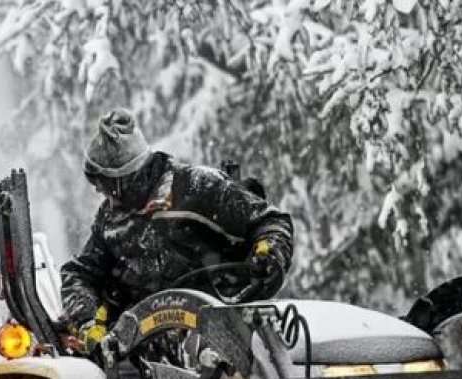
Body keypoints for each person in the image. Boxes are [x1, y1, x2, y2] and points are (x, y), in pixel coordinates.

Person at [61, 108, 294, 352]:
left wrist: (269, 251)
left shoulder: (197, 187)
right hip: (147, 350)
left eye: (106, 184)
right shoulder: (110, 220)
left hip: (226, 333)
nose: (100, 191)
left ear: (128, 177)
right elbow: (78, 274)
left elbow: (271, 222)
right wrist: (88, 322)